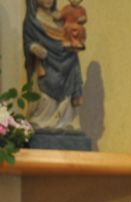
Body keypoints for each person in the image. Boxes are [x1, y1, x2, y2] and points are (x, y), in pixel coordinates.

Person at [23, 0, 84, 130]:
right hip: (45, 65)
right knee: (46, 94)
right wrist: (34, 47)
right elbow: (28, 41)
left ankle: (65, 121)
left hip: (67, 63)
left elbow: (72, 32)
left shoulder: (60, 16)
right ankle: (43, 121)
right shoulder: (32, 20)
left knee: (66, 98)